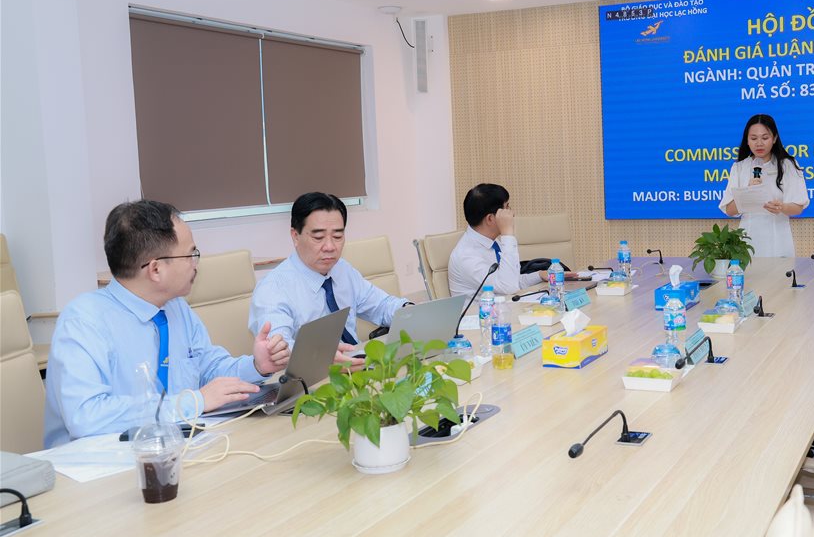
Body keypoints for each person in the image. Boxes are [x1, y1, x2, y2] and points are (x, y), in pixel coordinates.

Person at [43, 201, 290, 448]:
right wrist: (193, 403)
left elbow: (209, 368)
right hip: (101, 461)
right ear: (156, 269)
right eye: (191, 254)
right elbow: (86, 416)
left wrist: (256, 366)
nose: (196, 264)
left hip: (177, 448)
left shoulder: (175, 307)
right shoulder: (83, 322)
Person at [249, 192, 409, 364]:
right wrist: (321, 354)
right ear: (295, 236)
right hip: (311, 375)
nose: (330, 247)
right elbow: (279, 348)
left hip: (358, 366)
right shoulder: (273, 289)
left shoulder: (342, 269)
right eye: (318, 237)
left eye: (337, 236)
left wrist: (409, 310)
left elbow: (382, 306)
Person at [719, 114, 810, 258]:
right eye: (754, 138)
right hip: (747, 242)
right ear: (747, 140)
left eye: (765, 138)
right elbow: (729, 210)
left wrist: (781, 207)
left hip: (779, 241)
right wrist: (746, 193)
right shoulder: (739, 167)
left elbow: (798, 207)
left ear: (774, 138)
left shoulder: (788, 165)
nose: (759, 143)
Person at [448, 184, 548, 297]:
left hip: (505, 305)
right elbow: (509, 287)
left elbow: (511, 280)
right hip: (484, 309)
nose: (512, 213)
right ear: (490, 219)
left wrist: (539, 275)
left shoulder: (491, 243)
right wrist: (508, 234)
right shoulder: (466, 256)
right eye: (507, 208)